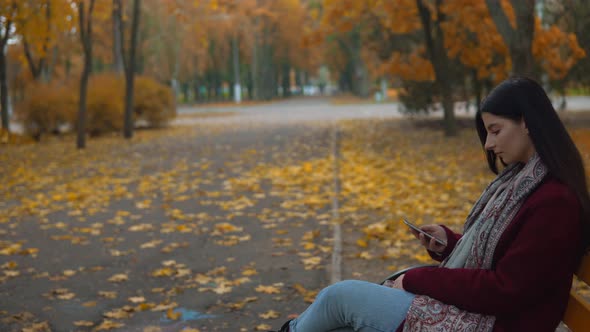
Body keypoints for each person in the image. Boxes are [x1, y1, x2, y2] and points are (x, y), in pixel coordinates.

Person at [269, 76, 590, 332]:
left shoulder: (554, 203)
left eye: (495, 130)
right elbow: (505, 262)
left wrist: (416, 279)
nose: (489, 144)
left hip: (496, 324)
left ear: (527, 122)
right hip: (485, 317)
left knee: (338, 299)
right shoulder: (524, 184)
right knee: (337, 317)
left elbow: (507, 289)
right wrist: (448, 243)